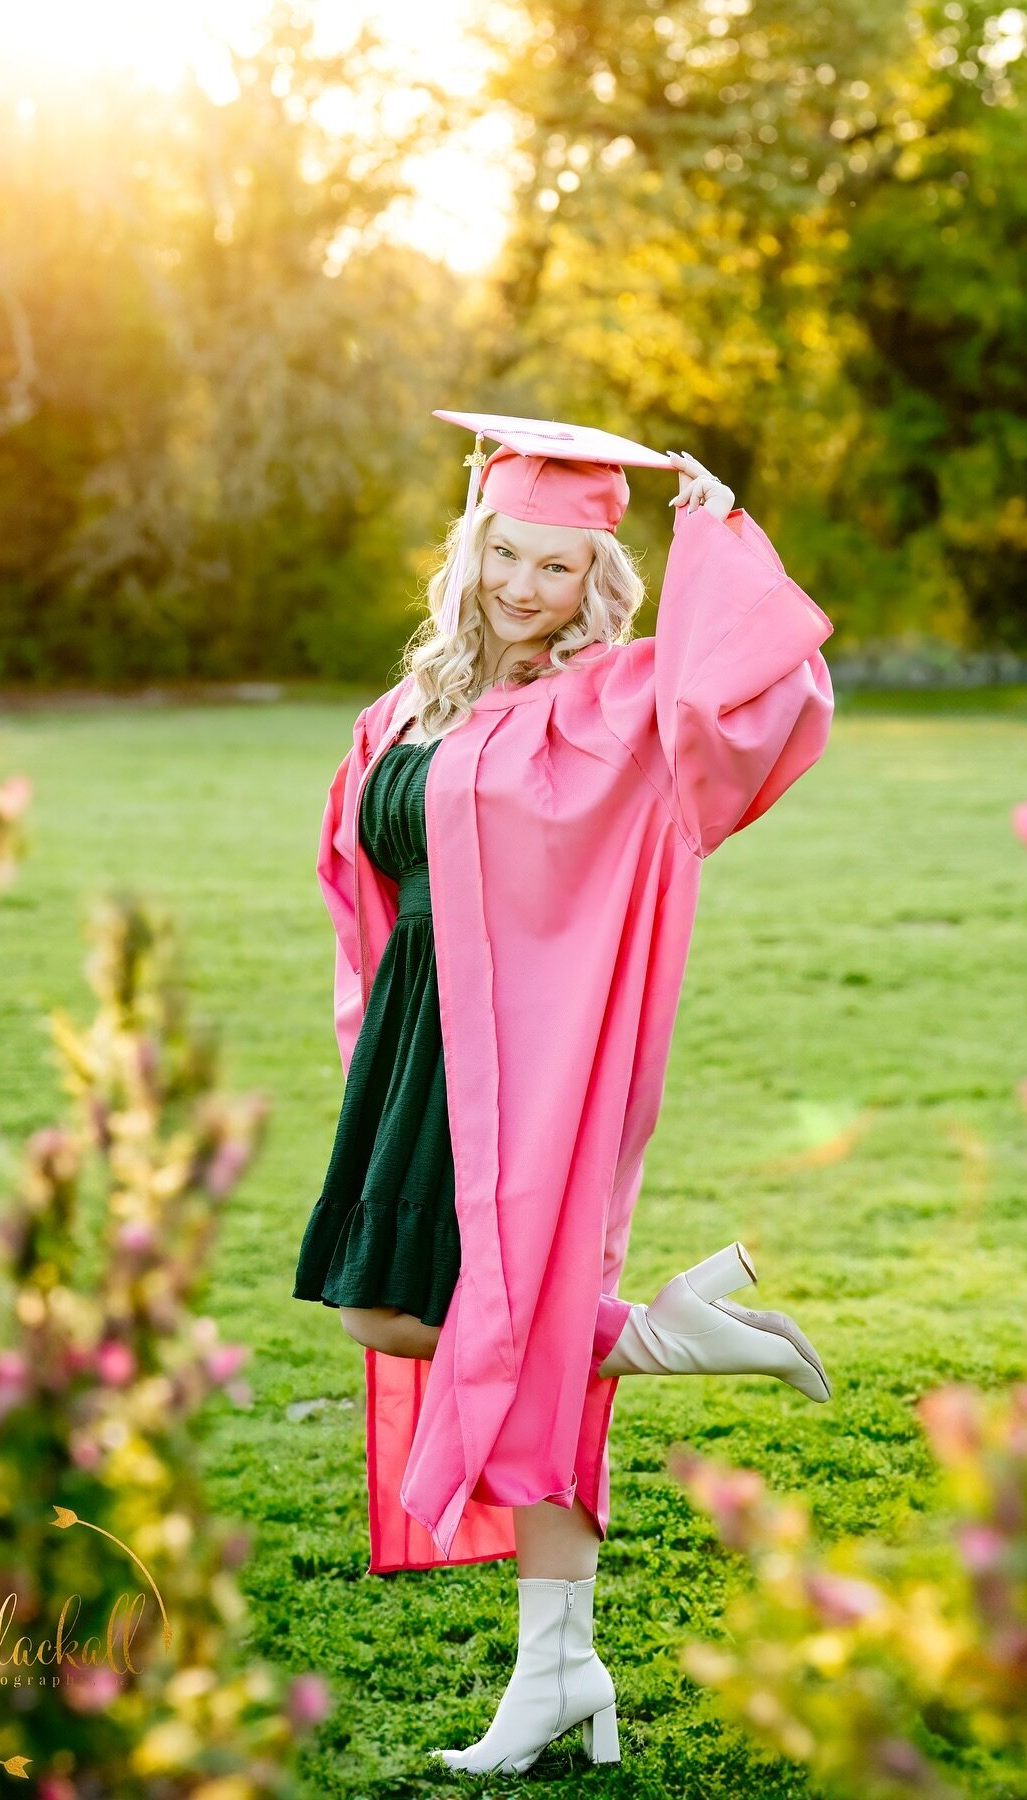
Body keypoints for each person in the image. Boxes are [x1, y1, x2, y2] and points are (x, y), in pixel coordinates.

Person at [292, 413, 836, 1774]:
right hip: (416, 1044)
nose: (525, 588)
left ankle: (562, 1645)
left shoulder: (610, 706)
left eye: (557, 566)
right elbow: (365, 869)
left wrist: (714, 532)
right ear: (471, 551)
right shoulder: (410, 704)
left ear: (596, 576)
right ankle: (571, 1640)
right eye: (506, 557)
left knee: (473, 1317)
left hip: (525, 1054)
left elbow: (751, 708)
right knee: (402, 1313)